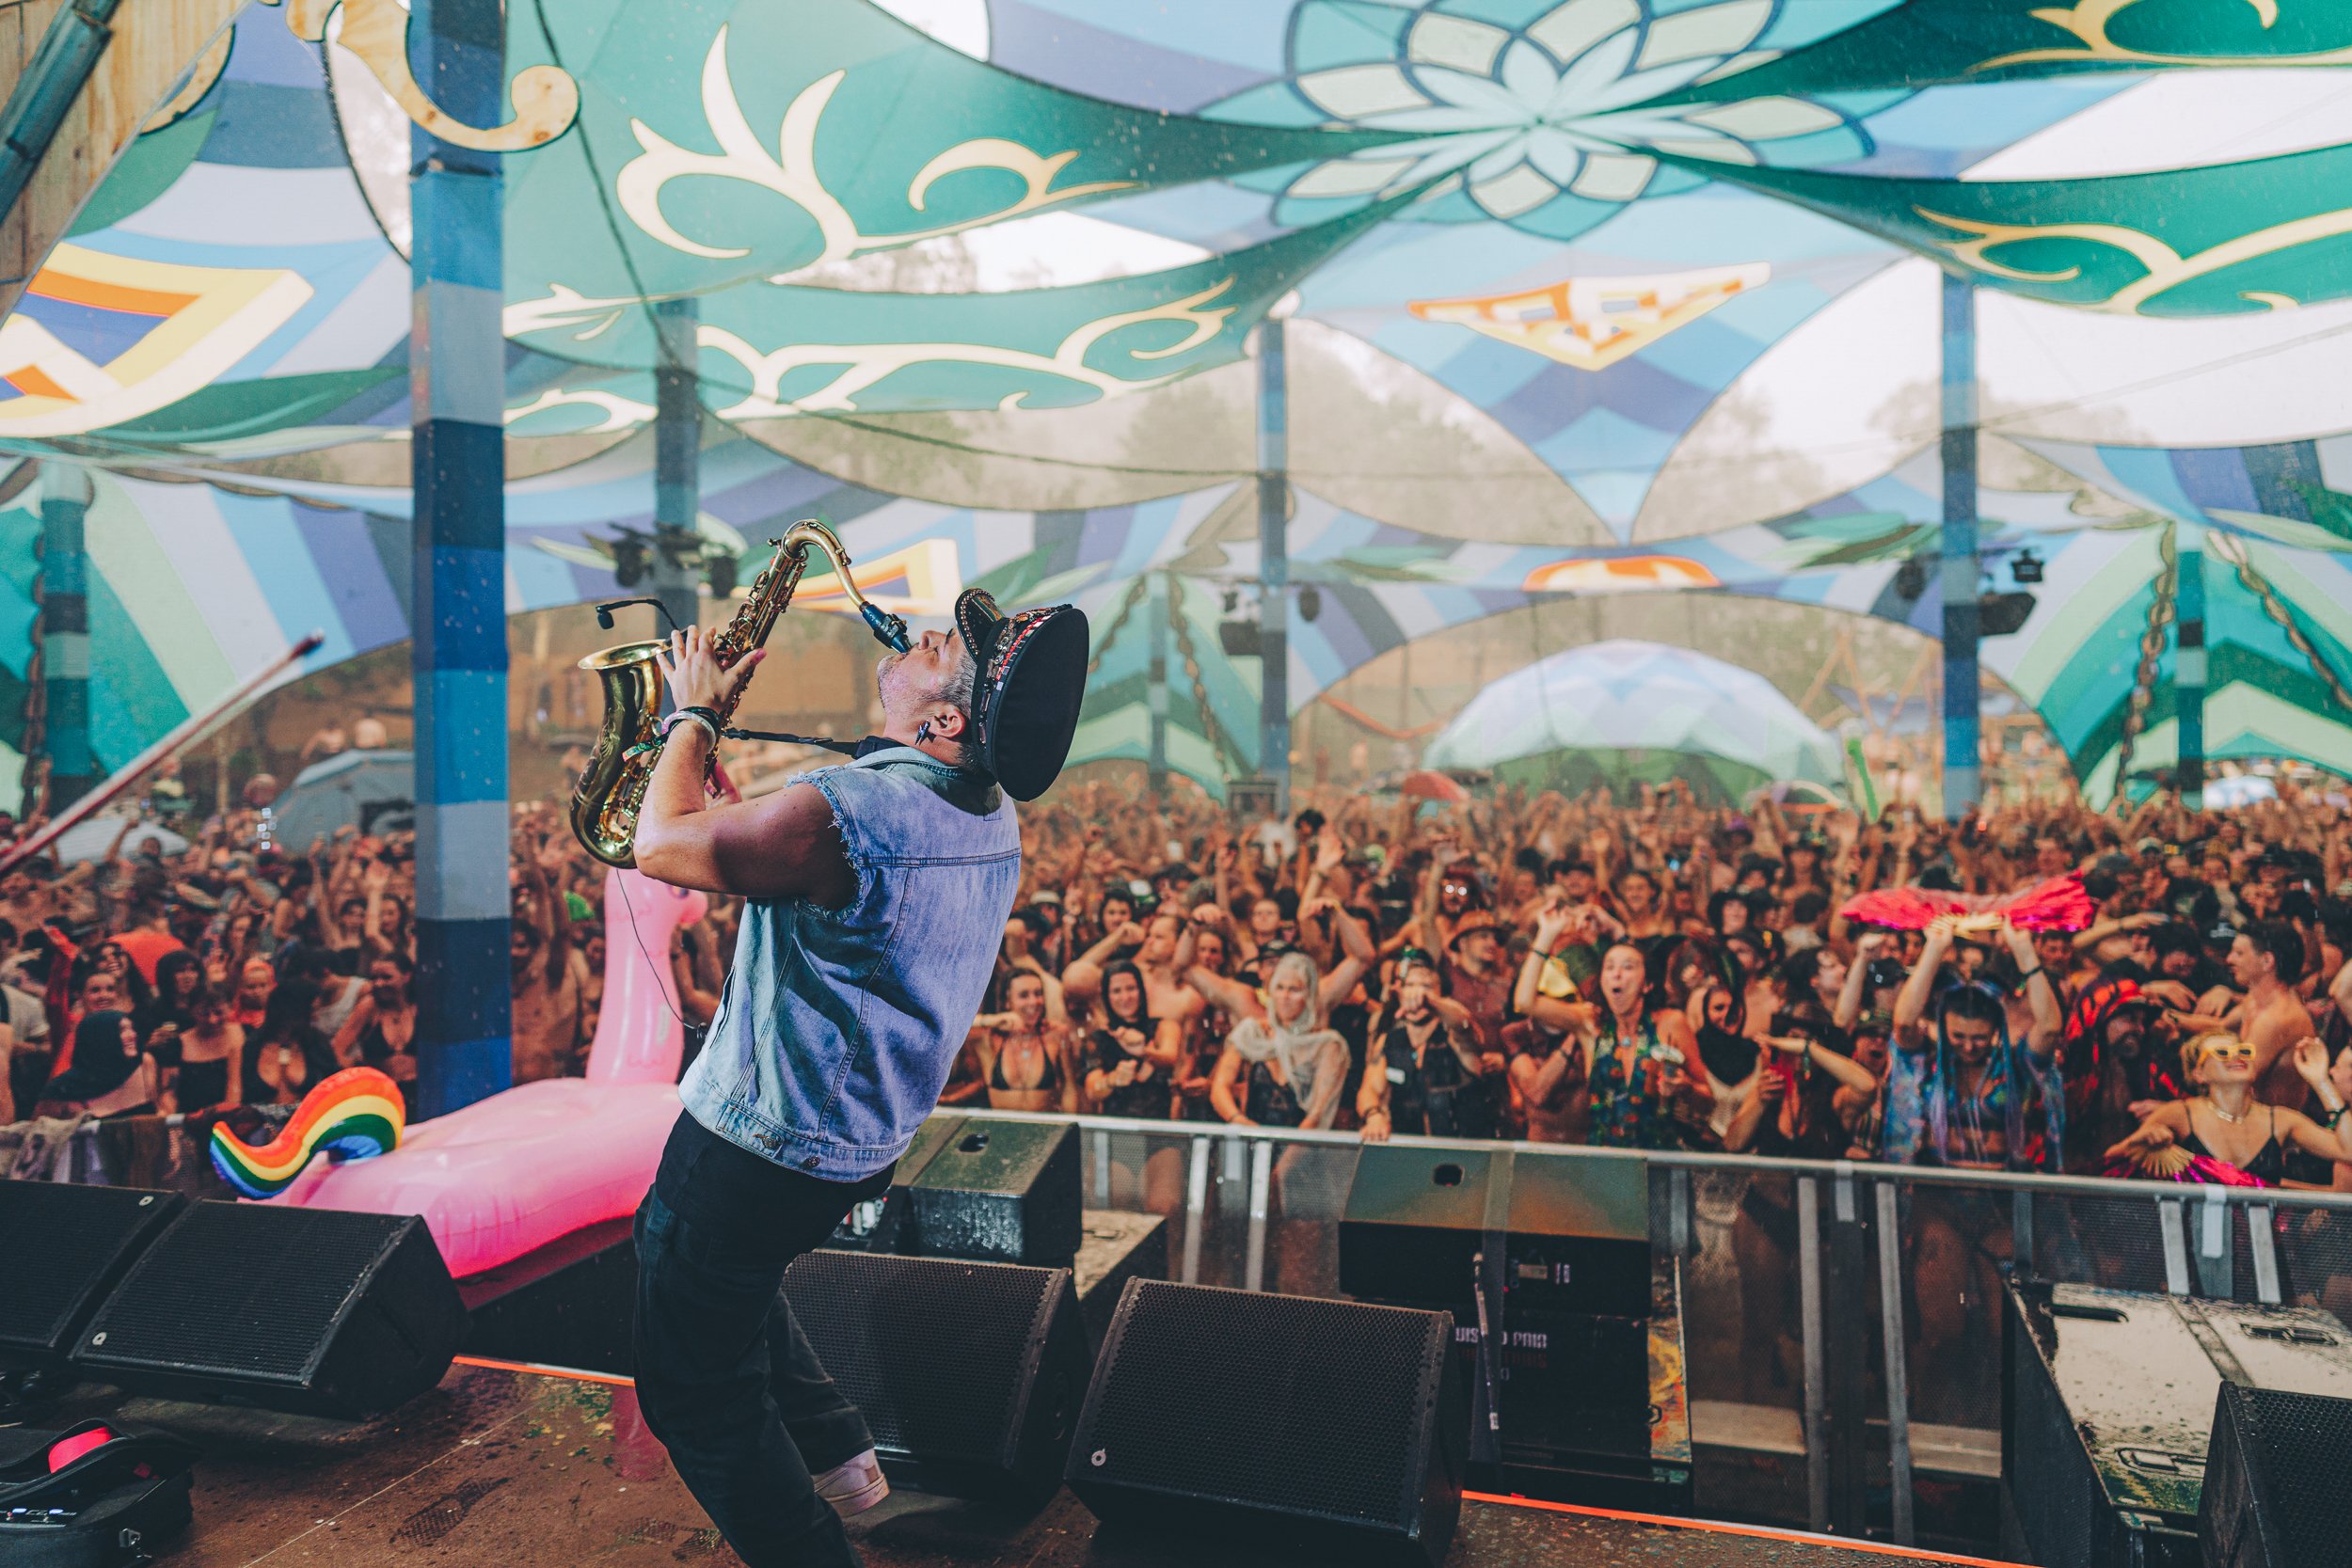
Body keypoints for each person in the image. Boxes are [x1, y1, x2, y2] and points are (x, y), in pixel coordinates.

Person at [626, 586, 1085, 1568]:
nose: (920, 636)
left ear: (945, 719)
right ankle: (840, 1453)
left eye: (939, 650)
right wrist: (734, 801)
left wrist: (693, 716)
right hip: (852, 1145)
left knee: (695, 1387)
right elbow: (833, 892)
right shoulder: (986, 811)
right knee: (724, 1276)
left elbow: (657, 845)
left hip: (754, 1143)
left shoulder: (856, 808)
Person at [2106, 1034, 2350, 1184]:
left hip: (2263, 1245)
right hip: (2197, 1245)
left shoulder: (2281, 1120)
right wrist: (2141, 1140)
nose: (2237, 1056)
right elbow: (2110, 1162)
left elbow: (2347, 1151)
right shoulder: (2179, 1114)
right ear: (2199, 1074)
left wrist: (2320, 1081)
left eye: (2243, 1051)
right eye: (2222, 1053)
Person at [963, 969, 1080, 1113]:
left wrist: (1068, 1124)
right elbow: (953, 1026)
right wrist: (993, 1020)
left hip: (1045, 1127)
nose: (1033, 1002)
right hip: (1002, 1128)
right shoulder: (988, 1038)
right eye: (1024, 995)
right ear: (1007, 1001)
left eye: (1038, 994)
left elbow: (1069, 1087)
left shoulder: (1056, 1034)